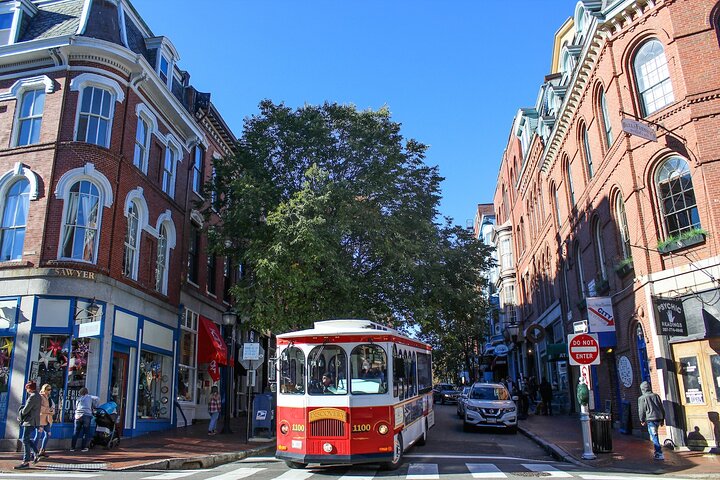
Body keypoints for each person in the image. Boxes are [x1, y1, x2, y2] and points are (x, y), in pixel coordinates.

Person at [638, 380, 666, 460]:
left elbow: (641, 410)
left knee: (654, 436)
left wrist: (642, 420)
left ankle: (659, 453)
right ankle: (658, 452)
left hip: (651, 419)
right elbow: (661, 407)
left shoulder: (642, 398)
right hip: (658, 418)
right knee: (655, 434)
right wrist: (662, 418)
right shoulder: (656, 396)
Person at [16, 381, 41, 469]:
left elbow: (26, 410)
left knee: (25, 440)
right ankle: (36, 452)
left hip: (29, 421)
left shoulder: (32, 397)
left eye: (27, 388)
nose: (26, 390)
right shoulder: (38, 396)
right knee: (26, 439)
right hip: (35, 421)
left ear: (29, 388)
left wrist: (20, 414)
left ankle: (26, 461)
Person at [71, 387, 98, 452]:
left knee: (76, 432)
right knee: (85, 432)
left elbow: (75, 407)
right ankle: (83, 448)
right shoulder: (89, 397)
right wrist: (95, 406)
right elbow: (97, 398)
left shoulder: (79, 398)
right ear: (86, 392)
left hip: (78, 415)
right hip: (86, 415)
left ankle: (72, 447)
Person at [33, 384, 54, 459]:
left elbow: (52, 407)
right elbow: (39, 407)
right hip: (41, 419)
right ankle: (34, 452)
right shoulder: (40, 397)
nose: (49, 391)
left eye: (50, 389)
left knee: (48, 434)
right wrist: (48, 410)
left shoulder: (49, 398)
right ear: (44, 389)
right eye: (48, 389)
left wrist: (52, 411)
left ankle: (42, 450)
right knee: (38, 435)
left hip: (48, 419)